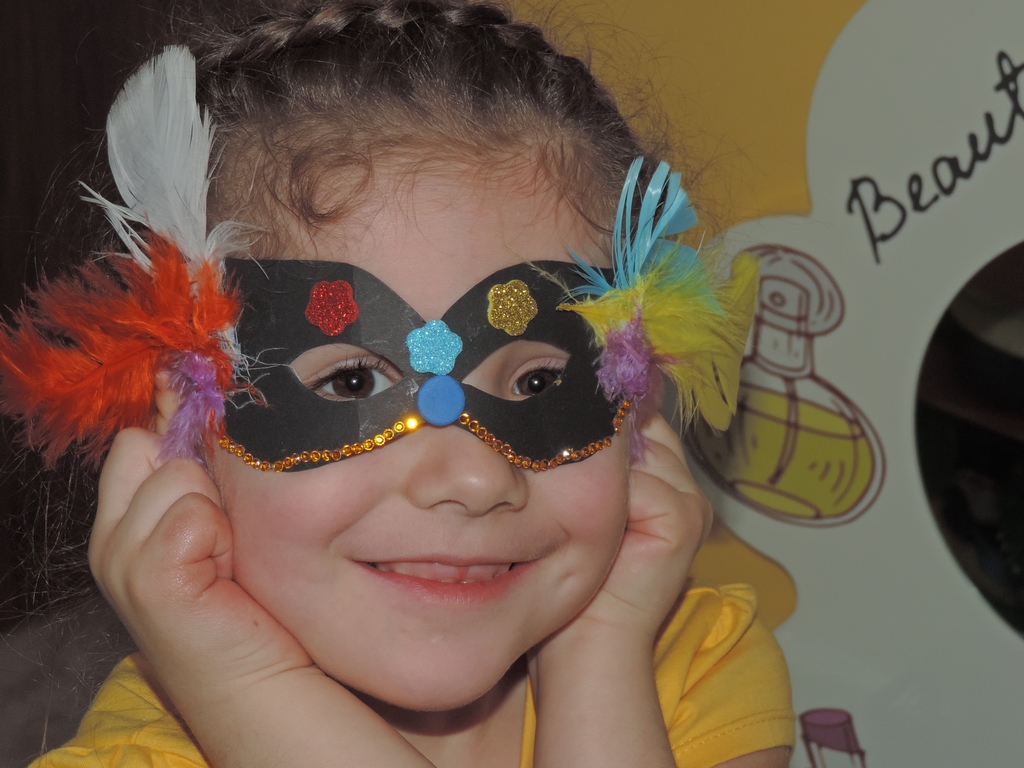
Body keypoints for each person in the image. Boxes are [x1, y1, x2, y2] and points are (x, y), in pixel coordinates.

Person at [0, 1, 795, 766]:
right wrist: (241, 681)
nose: (474, 480)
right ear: (187, 419)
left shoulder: (689, 671)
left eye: (536, 383)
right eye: (350, 381)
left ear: (635, 403)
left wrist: (600, 652)